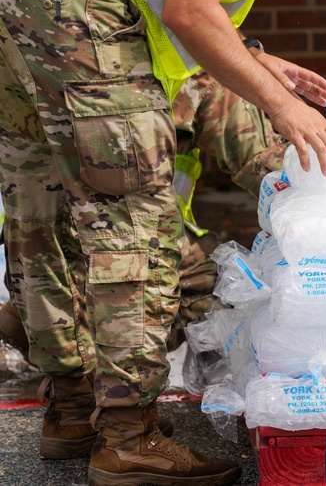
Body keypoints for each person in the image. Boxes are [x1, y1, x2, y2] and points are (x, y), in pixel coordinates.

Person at [0, 0, 326, 484]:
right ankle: (128, 440)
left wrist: (253, 59)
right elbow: (187, 8)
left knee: (41, 215)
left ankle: (71, 410)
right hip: (75, 3)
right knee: (134, 226)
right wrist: (284, 106)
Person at [0, 69, 288, 358]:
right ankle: (114, 363)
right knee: (225, 282)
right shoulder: (194, 68)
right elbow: (263, 163)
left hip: (38, 264)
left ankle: (44, 331)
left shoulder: (33, 51)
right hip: (131, 255)